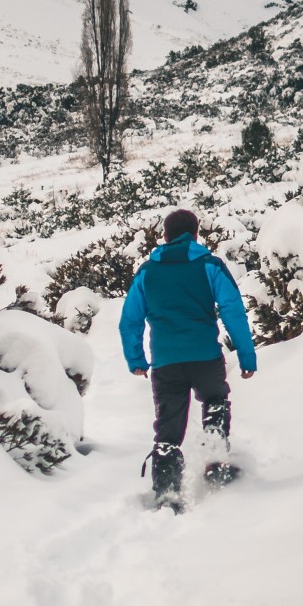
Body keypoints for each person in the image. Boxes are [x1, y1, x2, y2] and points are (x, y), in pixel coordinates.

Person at [119, 207, 257, 505]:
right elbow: (233, 311)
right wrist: (247, 357)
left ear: (165, 237)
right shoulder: (210, 265)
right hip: (205, 356)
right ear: (196, 234)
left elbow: (130, 320)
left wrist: (137, 360)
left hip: (166, 362)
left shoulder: (146, 272)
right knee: (215, 400)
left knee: (168, 429)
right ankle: (215, 461)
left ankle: (167, 491)